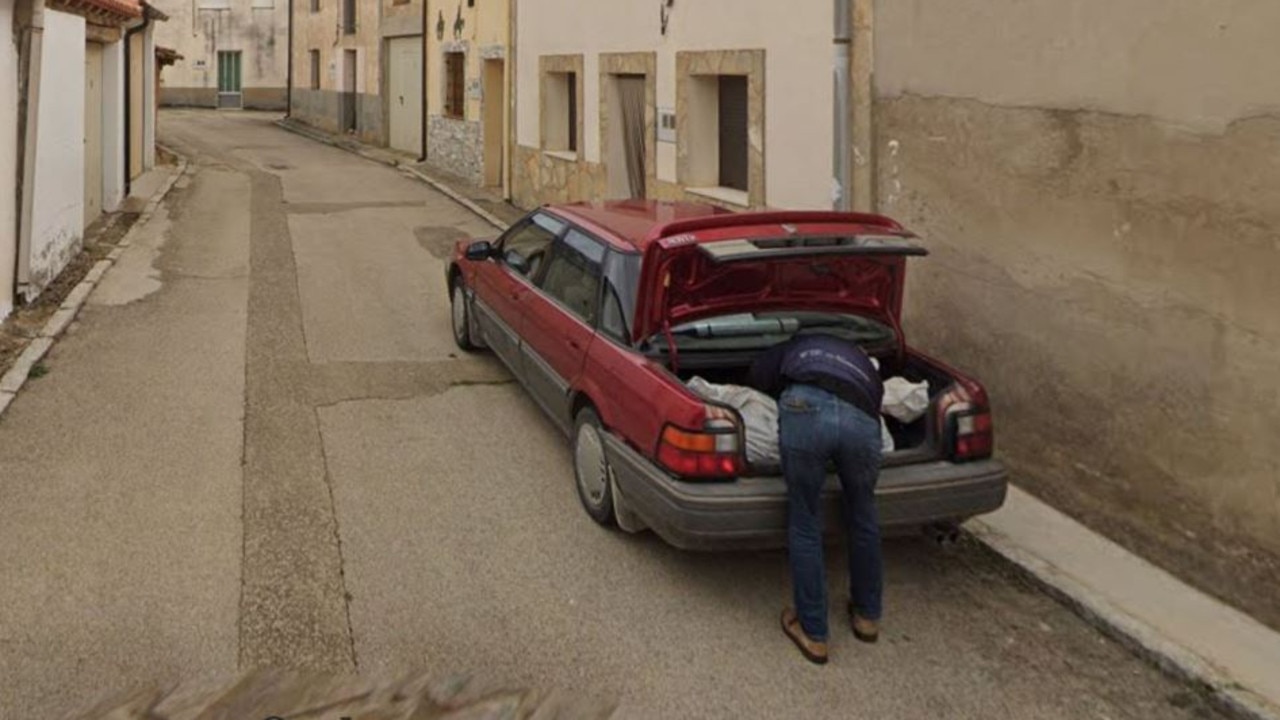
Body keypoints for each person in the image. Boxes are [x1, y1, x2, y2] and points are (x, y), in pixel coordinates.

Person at [750, 331, 885, 665]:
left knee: (805, 520)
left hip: (804, 407)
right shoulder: (861, 360)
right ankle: (867, 617)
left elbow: (757, 376)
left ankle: (813, 632)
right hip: (860, 417)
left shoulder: (796, 346)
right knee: (863, 513)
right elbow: (877, 399)